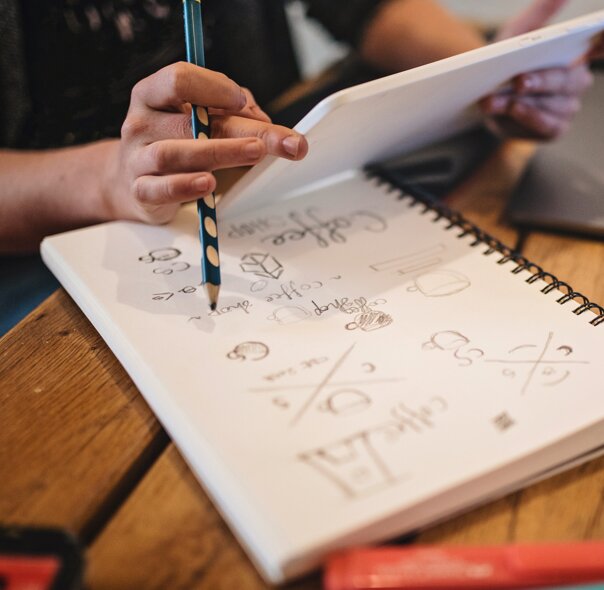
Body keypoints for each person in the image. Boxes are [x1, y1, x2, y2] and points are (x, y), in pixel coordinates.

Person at [0, 0, 598, 334]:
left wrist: (495, 74)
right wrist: (110, 177)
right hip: (47, 250)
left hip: (282, 181)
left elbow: (367, 9)